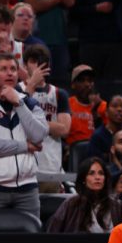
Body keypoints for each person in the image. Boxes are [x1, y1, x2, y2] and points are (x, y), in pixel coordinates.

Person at [0, 53, 48, 218]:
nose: (10, 73)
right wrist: (26, 146)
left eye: (13, 69)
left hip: (28, 189)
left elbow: (39, 136)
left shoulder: (29, 103)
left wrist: (18, 103)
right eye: (4, 69)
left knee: (31, 240)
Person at [22, 44, 70, 182]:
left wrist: (31, 122)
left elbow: (64, 129)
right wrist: (31, 85)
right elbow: (16, 122)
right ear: (25, 65)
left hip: (51, 163)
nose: (37, 65)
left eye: (41, 61)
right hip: (24, 164)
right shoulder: (16, 90)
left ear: (48, 65)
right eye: (33, 61)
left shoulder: (59, 94)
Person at [46, 157, 122, 232]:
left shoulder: (116, 205)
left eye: (101, 173)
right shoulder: (71, 204)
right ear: (83, 179)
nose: (97, 177)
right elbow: (53, 232)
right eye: (91, 173)